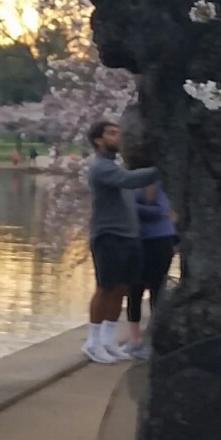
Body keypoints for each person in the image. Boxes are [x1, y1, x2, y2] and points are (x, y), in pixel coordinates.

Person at [83, 120, 159, 363]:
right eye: (112, 133)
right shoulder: (101, 168)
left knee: (122, 288)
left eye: (118, 132)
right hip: (108, 237)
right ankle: (93, 342)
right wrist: (163, 168)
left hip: (128, 237)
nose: (118, 137)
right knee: (105, 289)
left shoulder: (116, 167)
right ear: (98, 140)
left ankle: (107, 340)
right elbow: (130, 181)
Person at [123, 182, 176, 360]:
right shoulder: (126, 183)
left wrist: (131, 205)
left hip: (160, 240)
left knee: (156, 288)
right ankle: (134, 339)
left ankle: (154, 341)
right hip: (137, 240)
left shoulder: (157, 184)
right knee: (134, 288)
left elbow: (160, 210)